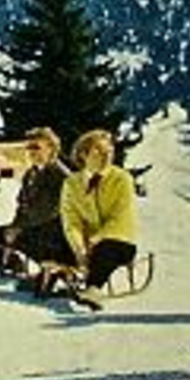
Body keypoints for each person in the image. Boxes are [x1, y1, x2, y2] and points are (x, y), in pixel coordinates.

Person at [59, 129, 139, 306]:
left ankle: (93, 289)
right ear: (83, 154)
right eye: (99, 151)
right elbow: (71, 220)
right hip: (86, 243)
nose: (106, 156)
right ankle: (58, 277)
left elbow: (120, 216)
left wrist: (95, 240)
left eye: (109, 152)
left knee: (105, 249)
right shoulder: (72, 183)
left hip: (118, 241)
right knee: (57, 240)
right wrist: (79, 247)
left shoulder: (122, 179)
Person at [0, 126, 73, 276]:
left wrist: (20, 229)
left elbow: (49, 211)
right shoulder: (31, 174)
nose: (31, 152)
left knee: (22, 238)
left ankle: (58, 269)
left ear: (51, 149)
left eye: (36, 147)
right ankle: (11, 263)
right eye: (29, 148)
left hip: (55, 232)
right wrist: (15, 226)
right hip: (34, 226)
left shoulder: (59, 175)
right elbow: (22, 206)